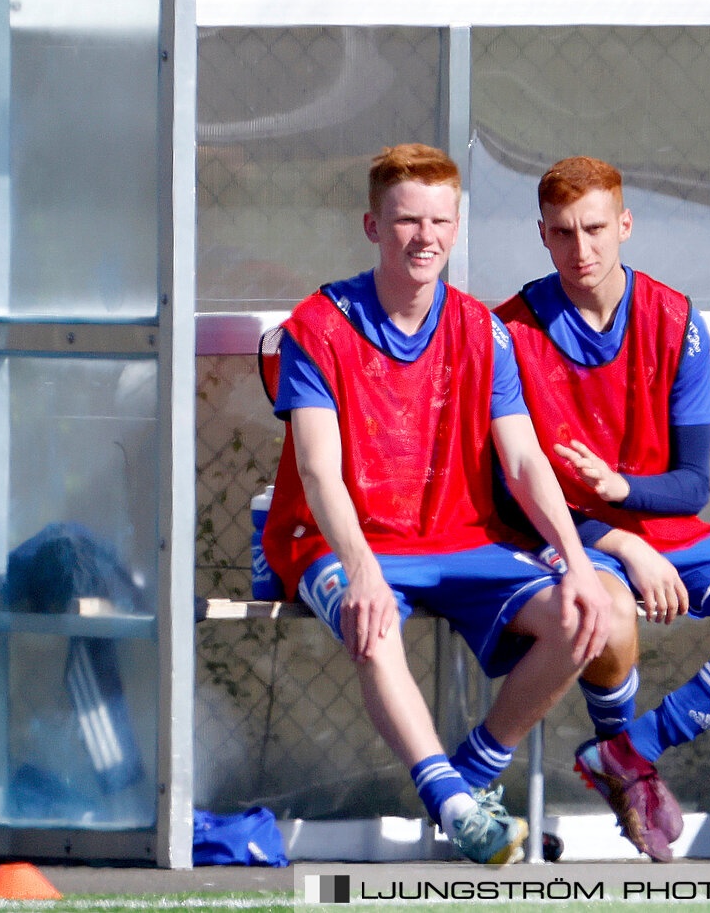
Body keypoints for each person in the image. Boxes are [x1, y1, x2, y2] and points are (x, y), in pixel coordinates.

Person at [259, 144, 617, 867]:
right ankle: (451, 802)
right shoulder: (317, 328)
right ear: (371, 225)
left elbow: (523, 460)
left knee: (587, 612)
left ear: (457, 227)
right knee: (374, 618)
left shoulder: (482, 329)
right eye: (405, 220)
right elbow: (319, 471)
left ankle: (474, 772)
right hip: (331, 540)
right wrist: (359, 567)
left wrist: (577, 561)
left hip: (454, 537)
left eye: (439, 220)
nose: (424, 237)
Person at [495, 156, 710, 863]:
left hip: (667, 525)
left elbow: (691, 485)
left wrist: (624, 494)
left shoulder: (676, 318)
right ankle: (627, 772)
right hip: (569, 536)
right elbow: (508, 492)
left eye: (595, 228)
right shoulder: (510, 328)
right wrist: (620, 542)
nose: (580, 249)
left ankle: (628, 752)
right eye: (562, 233)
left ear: (625, 225)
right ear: (542, 235)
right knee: (608, 610)